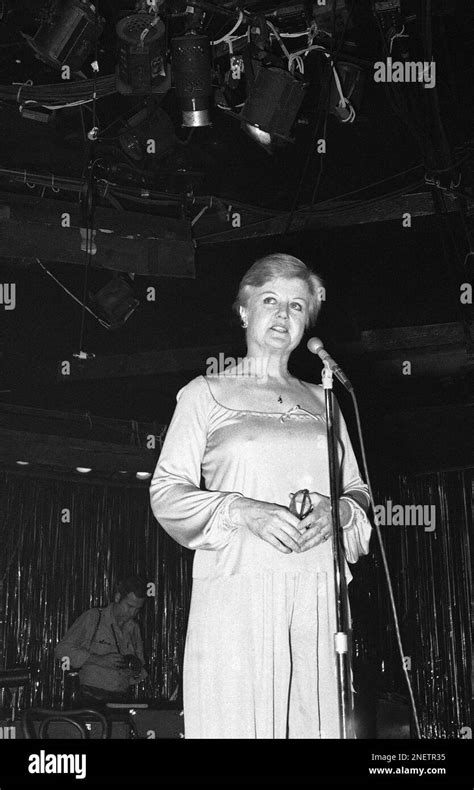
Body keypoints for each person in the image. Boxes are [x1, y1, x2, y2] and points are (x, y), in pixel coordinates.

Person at [149, 253, 372, 739]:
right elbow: (166, 492)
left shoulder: (326, 401)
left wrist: (340, 511)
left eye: (297, 305)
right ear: (244, 311)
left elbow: (357, 491)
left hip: (316, 592)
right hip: (239, 589)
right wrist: (241, 509)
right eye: (270, 300)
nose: (283, 315)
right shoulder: (204, 393)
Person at [55, 575, 148, 707]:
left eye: (137, 609)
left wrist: (134, 671)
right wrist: (99, 659)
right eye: (129, 606)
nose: (132, 613)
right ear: (117, 597)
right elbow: (61, 650)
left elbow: (140, 668)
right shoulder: (93, 617)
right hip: (90, 697)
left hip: (121, 698)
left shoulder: (134, 628)